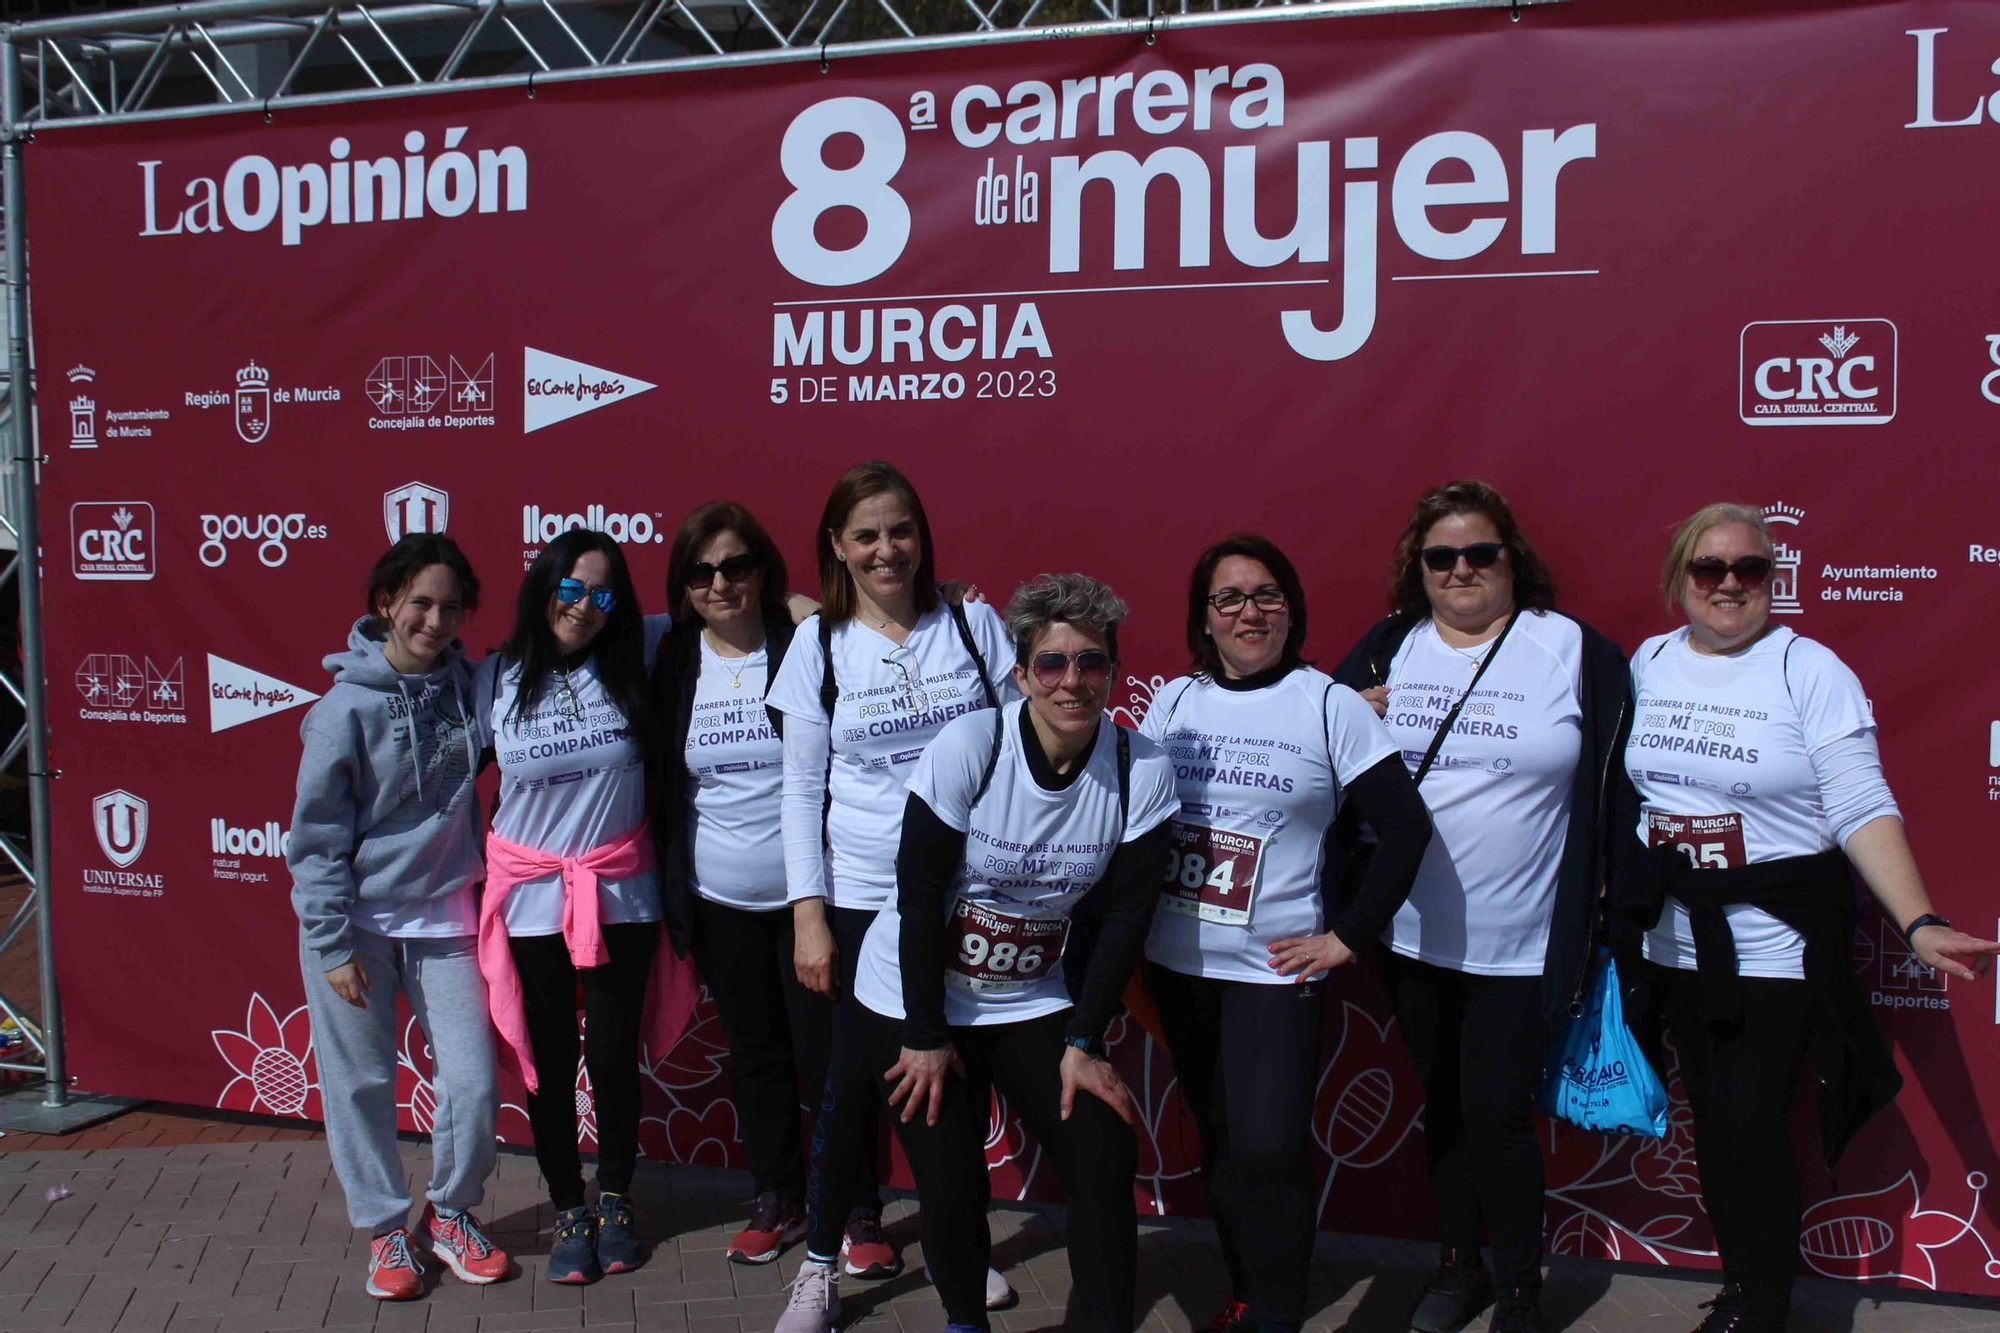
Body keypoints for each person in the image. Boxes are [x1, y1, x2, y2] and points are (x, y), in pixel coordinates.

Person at [1611, 503, 1999, 1333]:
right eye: (1709, 569)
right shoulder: (1648, 661)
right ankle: (1747, 1283)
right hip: (1675, 936)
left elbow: (1860, 802)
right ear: (1679, 579)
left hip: (1774, 943)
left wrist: (1919, 919)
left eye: (1749, 570)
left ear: (1773, 581)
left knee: (1750, 1120)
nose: (1728, 585)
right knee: (1714, 1119)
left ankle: (1763, 1304)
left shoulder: (1808, 669)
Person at [790, 573, 1179, 1333]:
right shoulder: (976, 741)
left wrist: (1081, 1039)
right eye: (1052, 664)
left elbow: (1127, 917)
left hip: (1030, 995)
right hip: (912, 995)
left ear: (1114, 671)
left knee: (1102, 1151)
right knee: (950, 1174)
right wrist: (927, 1035)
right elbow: (917, 890)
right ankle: (965, 1318)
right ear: (1023, 673)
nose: (1073, 681)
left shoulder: (1143, 767)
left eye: (1092, 663)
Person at [1333, 481, 1631, 1333]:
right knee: (1449, 1105)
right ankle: (1457, 1265)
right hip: (1412, 936)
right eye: (1441, 557)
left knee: (1498, 1112)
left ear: (1513, 561)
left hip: (1523, 939)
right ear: (1416, 570)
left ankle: (1522, 1287)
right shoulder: (1389, 649)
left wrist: (1615, 888)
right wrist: (1342, 714)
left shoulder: (1571, 649)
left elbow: (1619, 781)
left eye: (1480, 553)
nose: (1461, 569)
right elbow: (1313, 750)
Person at [1142, 534, 1433, 1333]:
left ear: (1292, 607)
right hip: (1181, 960)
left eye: (1266, 594)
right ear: (1204, 617)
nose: (1249, 610)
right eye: (1228, 597)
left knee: (1270, 1149)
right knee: (1224, 1141)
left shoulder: (1328, 702)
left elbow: (1404, 831)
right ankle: (1245, 1291)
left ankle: (1278, 1314)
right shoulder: (1172, 702)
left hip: (1277, 967)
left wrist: (1346, 936)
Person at [765, 460, 1016, 1322]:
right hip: (867, 899)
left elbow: (1024, 742)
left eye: (900, 530)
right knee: (850, 1090)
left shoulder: (977, 623)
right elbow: (800, 787)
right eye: (866, 534)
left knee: (960, 1085)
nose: (886, 550)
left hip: (972, 895)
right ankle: (819, 1268)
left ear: (923, 534)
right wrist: (809, 915)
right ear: (837, 545)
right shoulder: (818, 645)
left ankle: (959, 1247)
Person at [473, 529, 699, 1285]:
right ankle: (569, 1207)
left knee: (609, 1054)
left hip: (620, 893)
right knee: (550, 1060)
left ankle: (617, 1198)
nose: (584, 606)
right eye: (570, 587)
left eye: (602, 593)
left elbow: (749, 614)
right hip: (532, 898)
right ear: (543, 586)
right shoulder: (495, 677)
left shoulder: (639, 650)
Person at [288, 533, 509, 1301]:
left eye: (450, 606)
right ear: (386, 603)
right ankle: (386, 1230)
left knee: (474, 1084)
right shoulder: (342, 710)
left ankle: (448, 1214)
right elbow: (314, 841)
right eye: (420, 602)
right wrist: (330, 942)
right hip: (358, 930)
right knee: (361, 1083)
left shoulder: (472, 688)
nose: (435, 619)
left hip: (447, 918)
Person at [647, 501, 831, 1265]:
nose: (720, 583)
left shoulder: (805, 643)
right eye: (702, 571)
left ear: (762, 570)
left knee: (827, 1060)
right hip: (720, 903)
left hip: (811, 902)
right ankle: (778, 1195)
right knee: (755, 1058)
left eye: (737, 565)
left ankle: (850, 1208)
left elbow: (854, 622)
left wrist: (794, 600)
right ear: (684, 585)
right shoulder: (672, 657)